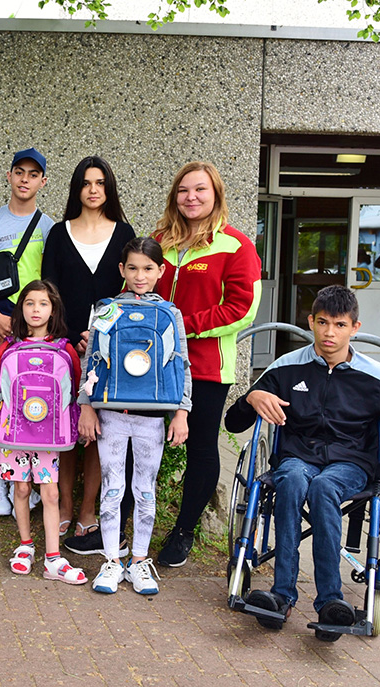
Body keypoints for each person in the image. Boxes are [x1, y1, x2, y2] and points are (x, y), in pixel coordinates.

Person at [225, 285, 380, 638]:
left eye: (339, 324)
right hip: (297, 458)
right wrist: (253, 396)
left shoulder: (373, 375)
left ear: (355, 327)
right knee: (292, 480)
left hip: (351, 463)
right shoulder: (286, 368)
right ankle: (281, 595)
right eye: (322, 323)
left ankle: (331, 602)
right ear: (310, 322)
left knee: (323, 486)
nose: (329, 333)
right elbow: (233, 422)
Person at [152, 161, 261, 568]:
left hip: (206, 368)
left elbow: (243, 308)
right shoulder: (157, 241)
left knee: (200, 447)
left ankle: (184, 530)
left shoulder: (236, 245)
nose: (191, 197)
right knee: (138, 443)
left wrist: (182, 327)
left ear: (216, 194)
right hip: (151, 365)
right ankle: (130, 520)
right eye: (183, 190)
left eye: (200, 190)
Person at [79, 238, 192, 596]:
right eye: (132, 268)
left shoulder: (170, 313)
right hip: (111, 414)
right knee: (112, 488)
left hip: (152, 418)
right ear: (121, 270)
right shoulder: (107, 309)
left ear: (161, 271)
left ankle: (140, 560)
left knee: (145, 489)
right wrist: (85, 405)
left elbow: (182, 366)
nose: (139, 276)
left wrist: (182, 413)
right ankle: (111, 560)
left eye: (147, 269)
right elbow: (91, 360)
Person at [42, 156, 136, 555]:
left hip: (109, 350)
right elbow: (49, 290)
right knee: (66, 430)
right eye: (86, 183)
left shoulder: (125, 232)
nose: (93, 189)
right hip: (65, 346)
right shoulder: (59, 234)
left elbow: (131, 290)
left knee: (99, 432)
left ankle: (86, 509)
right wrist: (65, 338)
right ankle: (63, 504)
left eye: (100, 183)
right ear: (76, 189)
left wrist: (99, 338)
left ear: (109, 189)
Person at [0, 148, 55, 519]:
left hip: (33, 325)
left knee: (32, 398)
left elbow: (49, 281)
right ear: (9, 175)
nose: (25, 179)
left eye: (33, 174)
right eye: (19, 172)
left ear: (43, 182)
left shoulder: (50, 227)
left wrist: (31, 323)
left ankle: (28, 479)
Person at [0, 280, 87, 585]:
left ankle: (52, 558)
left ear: (53, 310)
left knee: (50, 492)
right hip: (14, 433)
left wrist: (77, 424)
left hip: (49, 436)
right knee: (22, 489)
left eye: (43, 304)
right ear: (20, 309)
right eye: (29, 303)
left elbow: (74, 392)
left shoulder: (65, 348)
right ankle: (25, 546)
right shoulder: (9, 346)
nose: (36, 310)